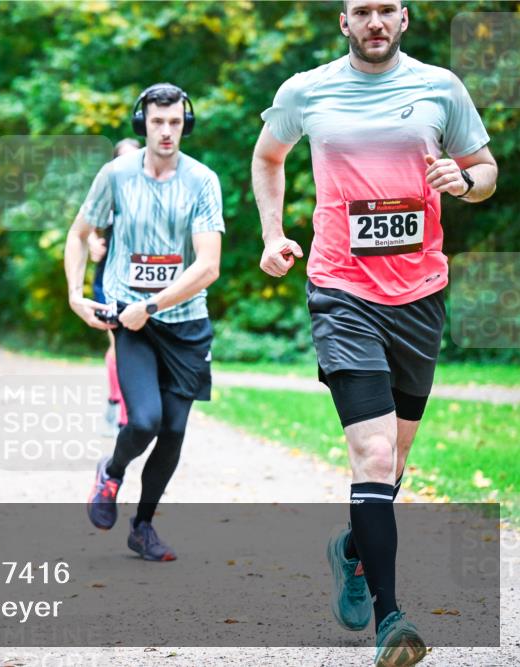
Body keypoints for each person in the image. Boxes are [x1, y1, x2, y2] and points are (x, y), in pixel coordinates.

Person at [251, 2, 497, 664]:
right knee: (376, 457)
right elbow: (268, 156)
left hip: (421, 295)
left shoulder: (441, 88)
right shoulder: (305, 90)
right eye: (363, 11)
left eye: (387, 9)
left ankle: (353, 549)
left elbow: (486, 170)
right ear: (344, 21)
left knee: (396, 462)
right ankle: (392, 620)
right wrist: (274, 234)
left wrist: (465, 179)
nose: (375, 21)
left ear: (405, 19)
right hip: (341, 291)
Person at [65, 83, 224, 562]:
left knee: (174, 431)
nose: (167, 131)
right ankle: (111, 471)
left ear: (185, 124)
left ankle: (143, 526)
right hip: (128, 320)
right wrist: (75, 294)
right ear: (143, 124)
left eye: (175, 122)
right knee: (147, 420)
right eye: (158, 122)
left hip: (185, 323)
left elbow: (208, 266)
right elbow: (78, 233)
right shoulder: (115, 175)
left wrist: (152, 304)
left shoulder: (202, 181)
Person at [90, 138, 140, 434]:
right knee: (120, 343)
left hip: (145, 283)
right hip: (109, 280)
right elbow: (83, 230)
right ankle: (121, 413)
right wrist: (92, 242)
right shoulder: (106, 193)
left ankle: (118, 404)